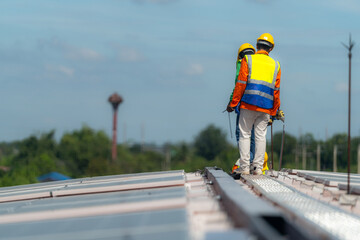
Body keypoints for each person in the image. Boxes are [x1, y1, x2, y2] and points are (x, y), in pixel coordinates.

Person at [228, 33, 281, 175]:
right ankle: (257, 168)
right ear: (271, 49)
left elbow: (240, 84)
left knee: (245, 134)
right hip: (266, 107)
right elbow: (276, 91)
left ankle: (244, 168)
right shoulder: (276, 65)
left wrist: (233, 103)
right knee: (260, 136)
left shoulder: (248, 60)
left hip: (248, 104)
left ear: (257, 46)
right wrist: (275, 111)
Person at [227, 43, 256, 168]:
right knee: (256, 135)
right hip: (260, 105)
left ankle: (246, 161)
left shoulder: (242, 64)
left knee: (242, 133)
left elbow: (238, 86)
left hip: (244, 104)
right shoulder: (258, 66)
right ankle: (254, 162)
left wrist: (232, 103)